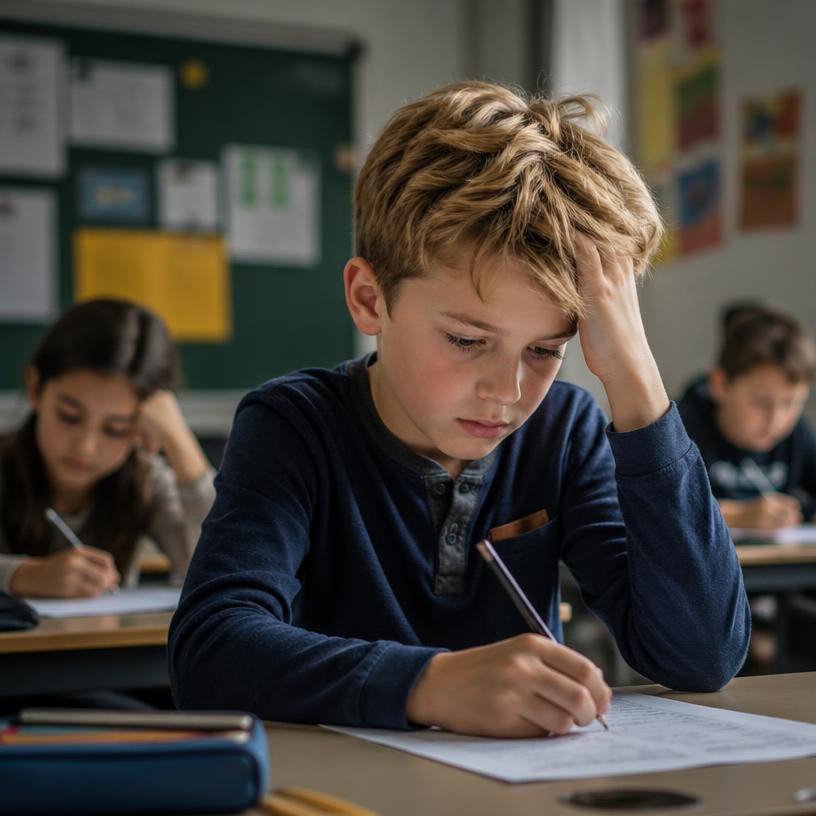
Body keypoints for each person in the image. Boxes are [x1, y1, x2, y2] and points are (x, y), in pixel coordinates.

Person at [169, 81, 750, 738]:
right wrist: (428, 682)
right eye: (469, 340)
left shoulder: (564, 431)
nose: (506, 392)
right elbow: (210, 651)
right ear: (369, 299)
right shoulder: (294, 425)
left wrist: (636, 377)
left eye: (545, 350)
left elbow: (702, 657)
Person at [0, 298, 216, 598]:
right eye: (69, 416)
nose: (86, 448)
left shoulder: (145, 480)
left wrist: (179, 441)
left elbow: (225, 567)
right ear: (35, 387)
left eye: (116, 429)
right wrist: (23, 576)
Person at [678, 303, 816, 530]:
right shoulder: (683, 429)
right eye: (761, 402)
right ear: (720, 385)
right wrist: (740, 515)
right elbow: (664, 507)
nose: (776, 419)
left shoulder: (797, 431)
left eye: (790, 403)